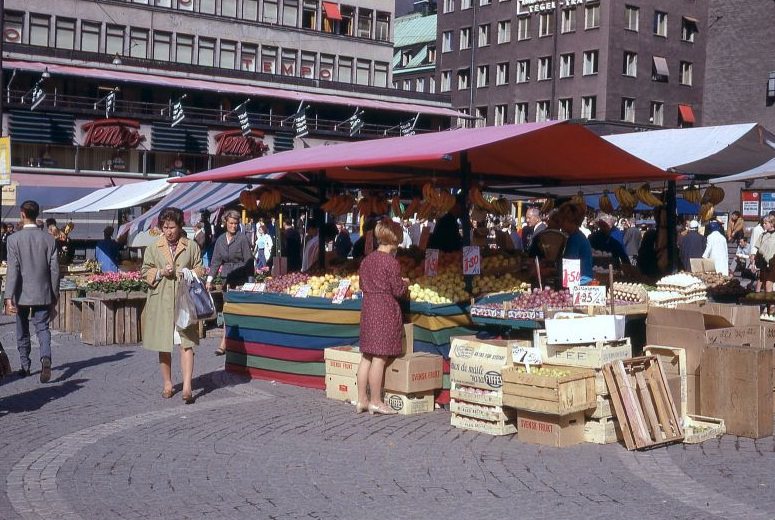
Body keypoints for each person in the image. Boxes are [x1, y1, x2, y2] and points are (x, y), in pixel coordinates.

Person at [141, 207, 204, 404]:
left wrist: (189, 273)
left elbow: (200, 268)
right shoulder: (153, 247)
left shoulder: (191, 246)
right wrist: (160, 272)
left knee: (186, 343)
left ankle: (187, 386)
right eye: (165, 227)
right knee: (164, 343)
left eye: (172, 227)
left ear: (179, 226)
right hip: (162, 301)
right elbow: (145, 272)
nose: (168, 231)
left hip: (184, 301)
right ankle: (167, 383)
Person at [355, 218, 408, 415]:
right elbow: (397, 290)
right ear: (393, 239)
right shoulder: (391, 262)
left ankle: (362, 400)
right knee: (379, 357)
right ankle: (376, 401)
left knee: (366, 356)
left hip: (368, 307)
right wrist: (406, 284)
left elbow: (361, 285)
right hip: (384, 309)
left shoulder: (367, 260)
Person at [4, 200, 59, 382]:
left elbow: (13, 270)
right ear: (36, 215)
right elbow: (55, 271)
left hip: (21, 294)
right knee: (42, 328)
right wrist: (54, 295)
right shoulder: (49, 239)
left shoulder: (13, 240)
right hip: (43, 292)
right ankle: (45, 358)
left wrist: (8, 297)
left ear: (22, 214)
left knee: (22, 330)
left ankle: (25, 366)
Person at [207, 209, 253, 356]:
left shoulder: (242, 239)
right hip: (227, 280)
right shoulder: (220, 240)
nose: (234, 226)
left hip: (240, 280)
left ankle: (237, 344)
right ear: (225, 223)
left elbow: (249, 262)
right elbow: (215, 262)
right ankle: (224, 342)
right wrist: (209, 279)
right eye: (231, 223)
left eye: (236, 223)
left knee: (239, 312)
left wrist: (250, 283)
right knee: (226, 311)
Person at [556, 202, 594, 284]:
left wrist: (551, 270)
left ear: (569, 220)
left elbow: (569, 265)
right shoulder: (577, 236)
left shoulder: (575, 239)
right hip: (584, 280)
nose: (560, 224)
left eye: (562, 221)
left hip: (581, 283)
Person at [755, 215, 775, 307]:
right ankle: (768, 306)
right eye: (763, 223)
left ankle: (771, 307)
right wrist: (754, 261)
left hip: (773, 265)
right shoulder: (762, 235)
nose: (763, 225)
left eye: (765, 223)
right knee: (764, 286)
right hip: (763, 264)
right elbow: (758, 249)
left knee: (768, 285)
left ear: (772, 223)